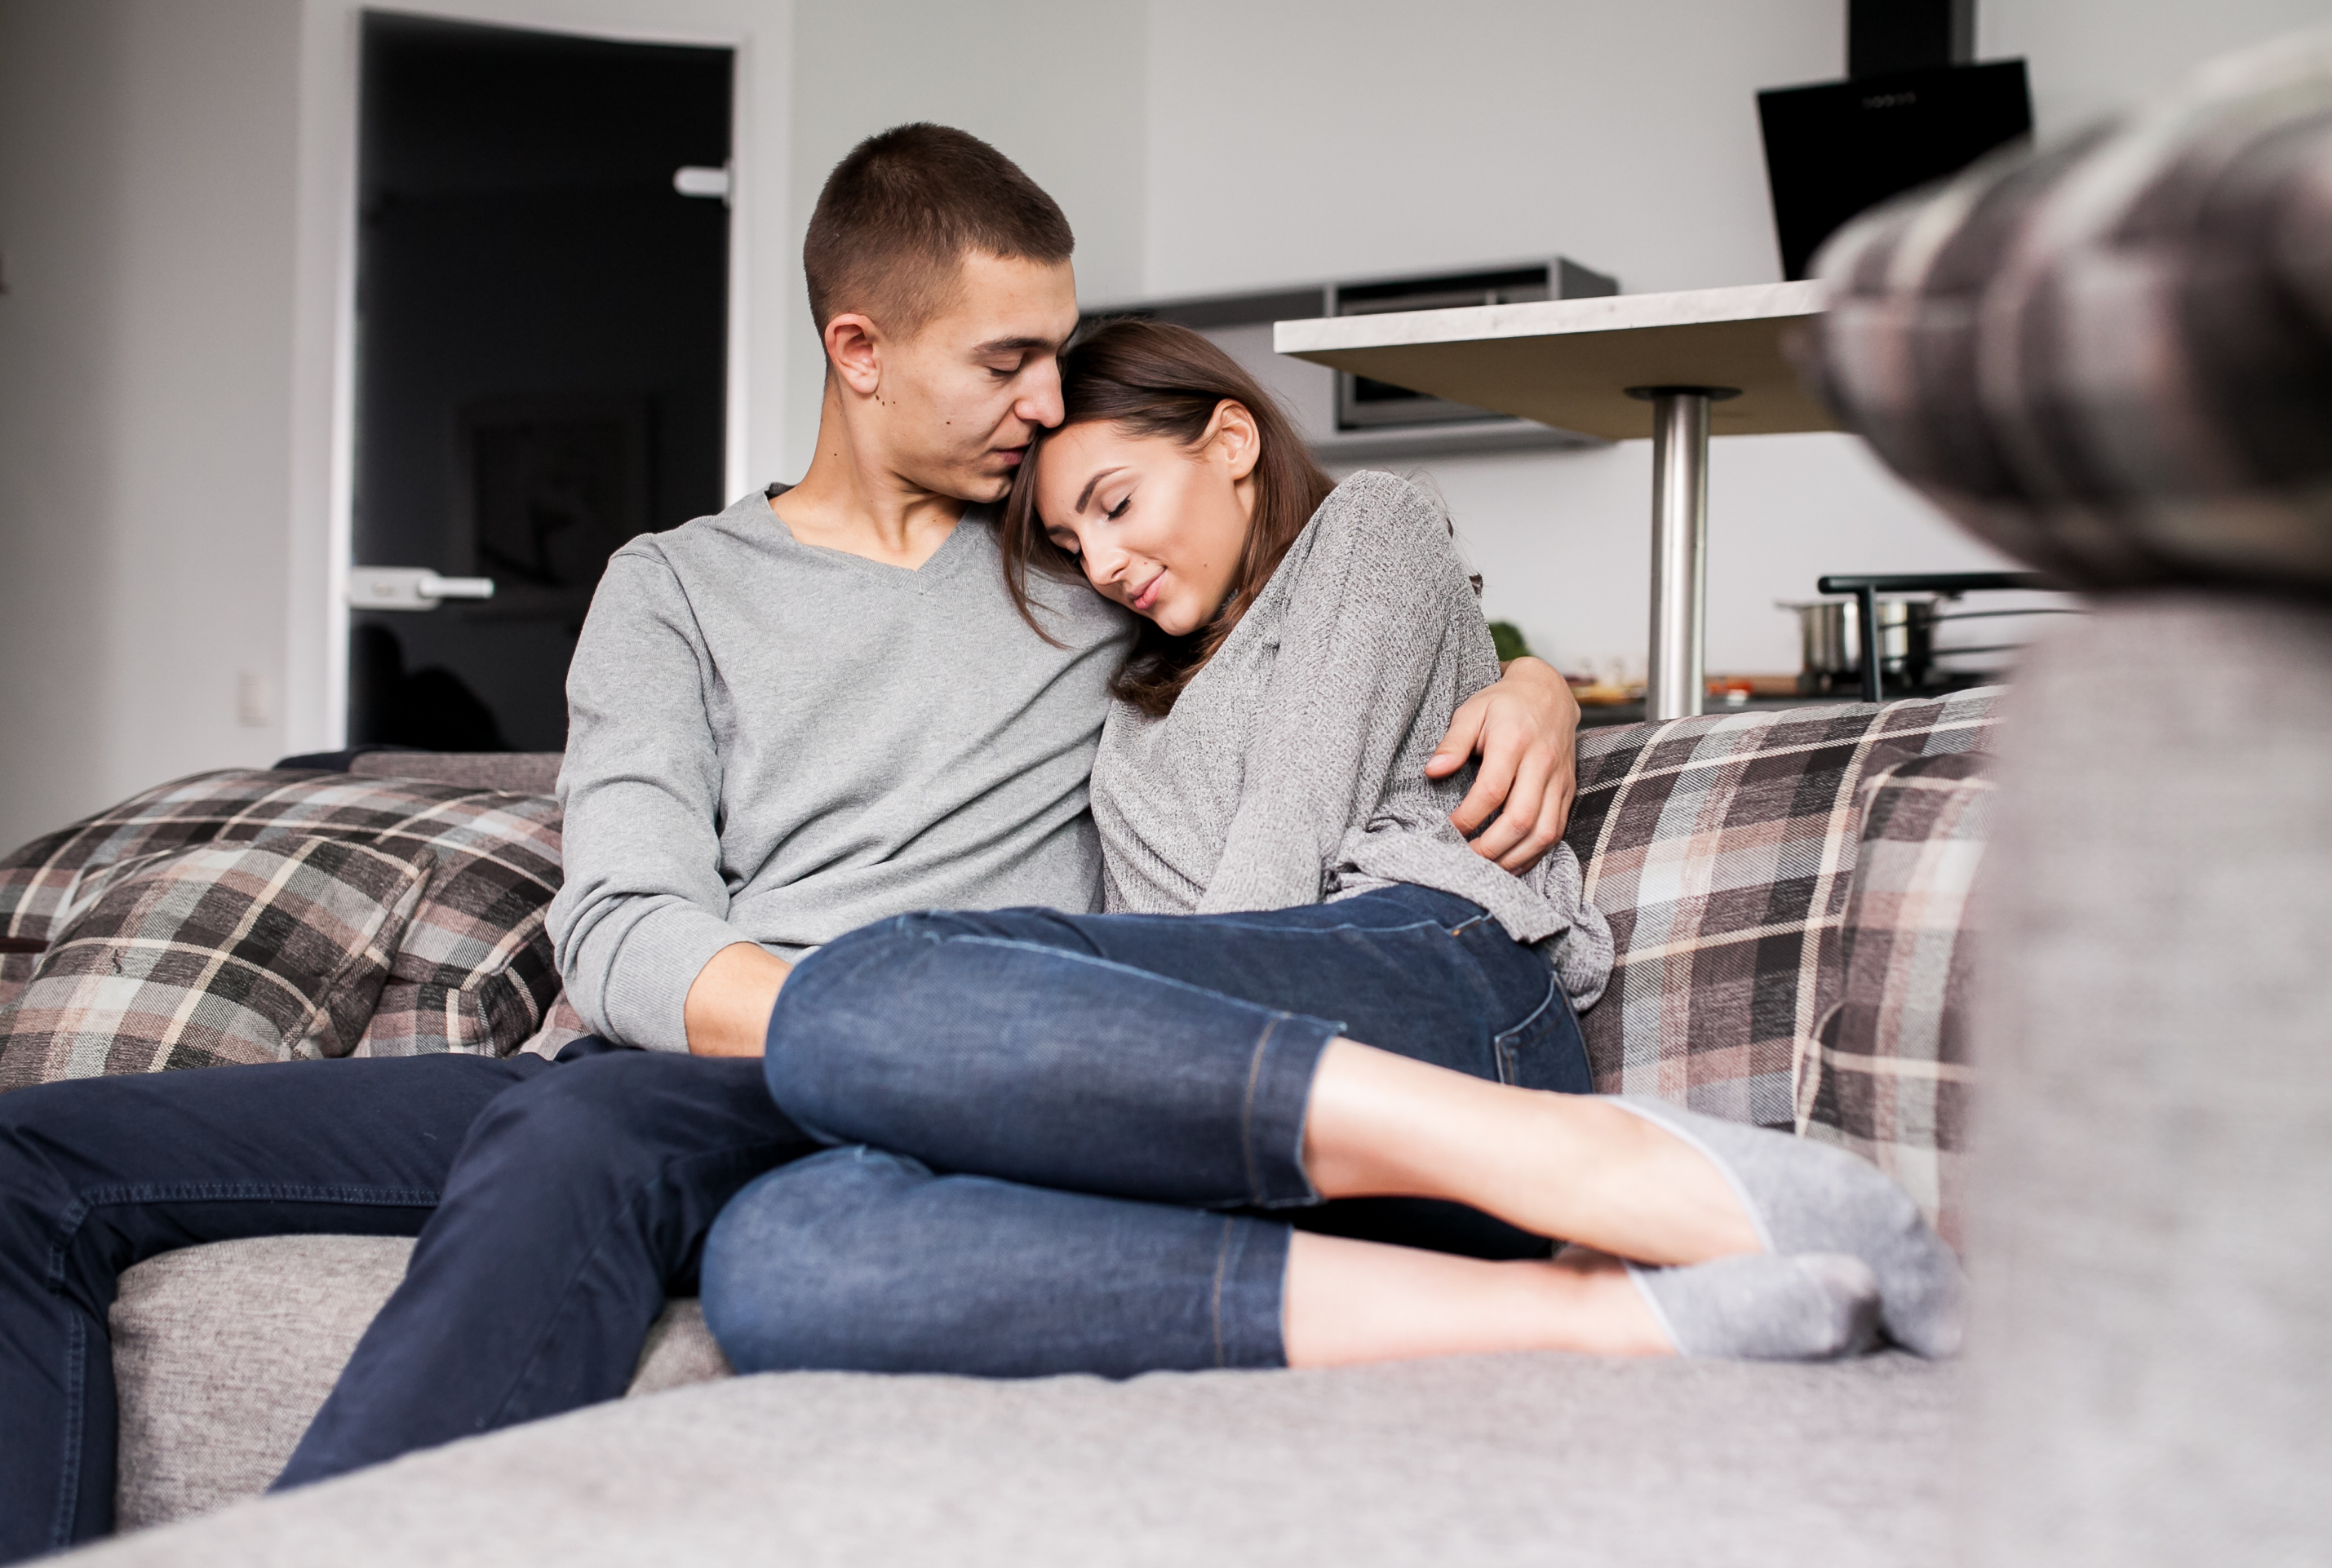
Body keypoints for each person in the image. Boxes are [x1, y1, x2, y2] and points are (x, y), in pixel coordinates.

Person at [0, 126, 1586, 1562]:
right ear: (860, 350)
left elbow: (1324, 598)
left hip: (933, 1074)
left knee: (582, 1137)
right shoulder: (674, 587)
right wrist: (828, 1014)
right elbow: (619, 927)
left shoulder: (1075, 566)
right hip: (675, 1047)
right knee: (33, 1162)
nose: (1052, 403)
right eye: (1012, 360)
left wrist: (1535, 684)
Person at [696, 319, 1964, 1379]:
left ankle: (1606, 1160)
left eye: (1116, 504)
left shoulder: (1367, 529)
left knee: (850, 999)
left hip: (1427, 968)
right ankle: (1595, 1311)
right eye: (1074, 546)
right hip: (1251, 1112)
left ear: (1232, 442)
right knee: (780, 1248)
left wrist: (1537, 684)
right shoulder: (1124, 702)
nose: (1107, 560)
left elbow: (1272, 876)